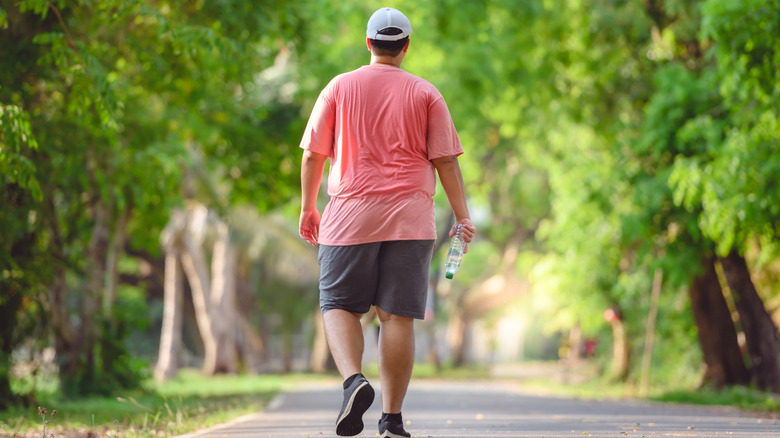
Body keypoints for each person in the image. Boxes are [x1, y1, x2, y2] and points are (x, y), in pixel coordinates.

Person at [298, 7, 476, 438]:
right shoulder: (425, 93)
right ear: (406, 47)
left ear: (369, 42)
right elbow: (446, 161)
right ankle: (392, 419)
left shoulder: (339, 87)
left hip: (349, 217)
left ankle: (354, 381)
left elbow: (312, 155)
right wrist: (463, 216)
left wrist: (308, 207)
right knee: (397, 318)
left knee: (339, 304)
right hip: (411, 220)